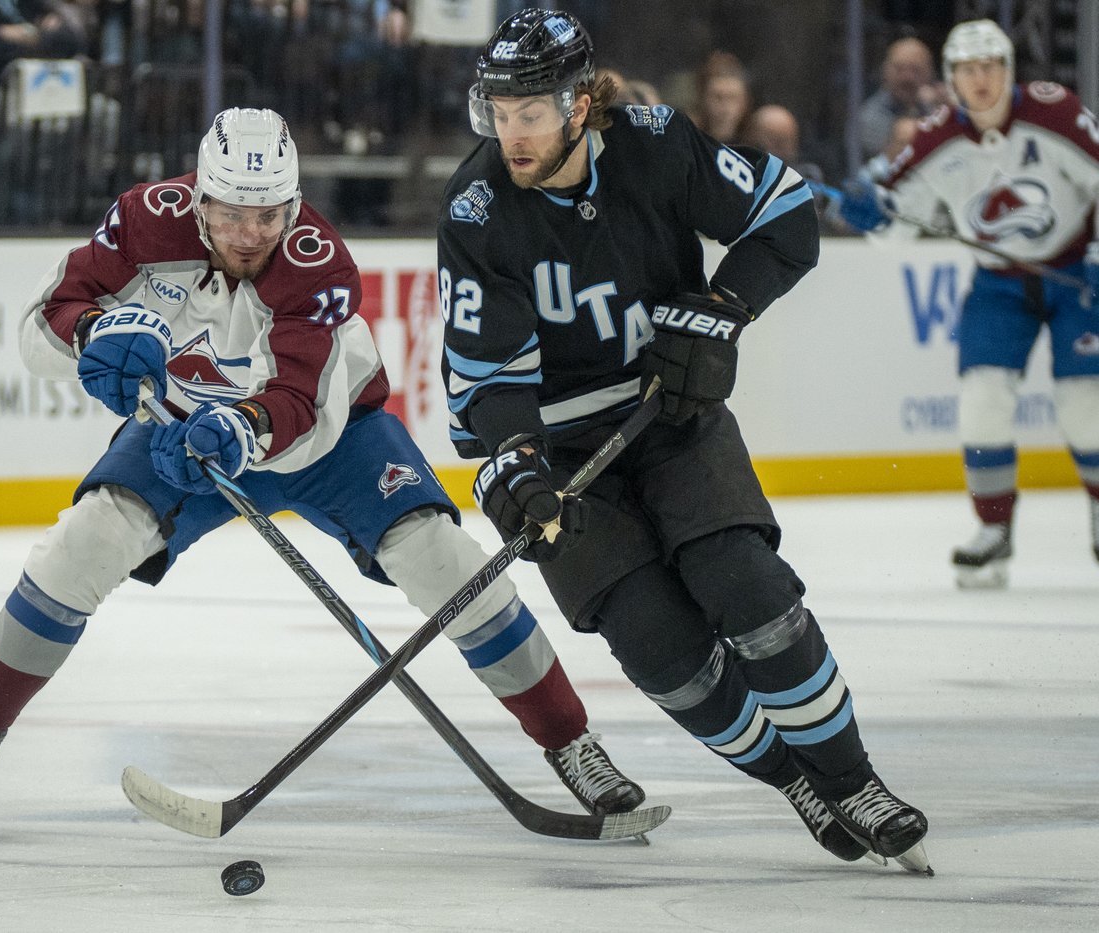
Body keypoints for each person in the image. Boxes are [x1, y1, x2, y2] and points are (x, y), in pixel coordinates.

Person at [0, 106, 648, 835]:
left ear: (293, 203)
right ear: (200, 197)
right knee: (81, 544)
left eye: (269, 214)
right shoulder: (142, 220)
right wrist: (96, 336)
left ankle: (571, 740)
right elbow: (49, 314)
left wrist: (237, 427)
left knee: (446, 563)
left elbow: (299, 404)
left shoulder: (318, 265)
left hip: (332, 439)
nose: (250, 233)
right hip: (178, 429)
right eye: (231, 213)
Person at [439, 8, 931, 872]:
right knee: (663, 650)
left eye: (532, 113)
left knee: (747, 587)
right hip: (558, 457)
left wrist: (723, 309)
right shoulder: (479, 211)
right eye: (499, 114)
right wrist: (515, 469)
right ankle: (796, 781)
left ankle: (852, 777)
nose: (513, 136)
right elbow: (487, 384)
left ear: (581, 104)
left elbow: (786, 213)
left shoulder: (659, 142)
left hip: (669, 414)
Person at [839, 19, 1099, 587]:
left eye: (991, 67)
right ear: (952, 78)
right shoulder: (935, 138)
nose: (981, 80)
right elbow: (896, 221)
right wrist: (871, 217)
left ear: (1010, 71)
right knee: (982, 400)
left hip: (1077, 274)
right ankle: (993, 530)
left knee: (1085, 403)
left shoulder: (1055, 112)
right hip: (997, 285)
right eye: (968, 69)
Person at [855, 36, 947, 162]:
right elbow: (896, 156)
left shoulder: (936, 106)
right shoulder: (869, 116)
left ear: (930, 73)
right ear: (885, 71)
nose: (907, 77)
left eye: (916, 70)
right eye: (899, 69)